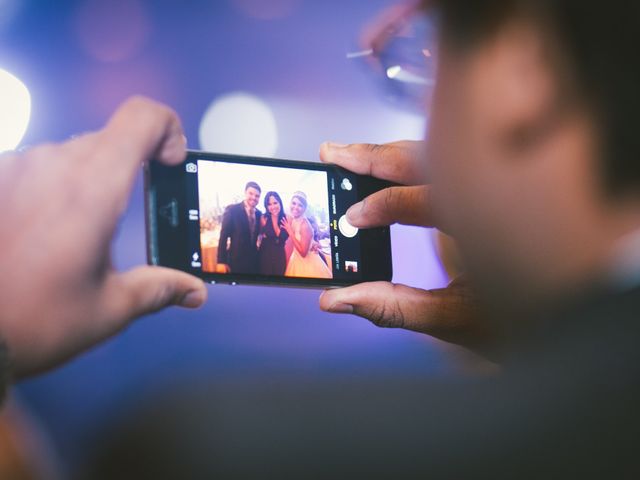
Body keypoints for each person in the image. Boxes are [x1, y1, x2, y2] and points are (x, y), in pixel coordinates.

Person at [281, 192, 332, 279]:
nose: (295, 207)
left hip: (306, 261)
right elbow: (305, 239)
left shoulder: (304, 225)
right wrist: (314, 243)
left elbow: (303, 253)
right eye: (294, 203)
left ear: (304, 208)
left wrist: (290, 231)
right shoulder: (294, 219)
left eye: (300, 205)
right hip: (295, 259)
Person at [216, 182, 263, 275]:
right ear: (245, 193)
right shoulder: (232, 210)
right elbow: (223, 236)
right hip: (236, 260)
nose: (254, 197)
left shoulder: (259, 214)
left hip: (253, 261)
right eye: (251, 193)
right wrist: (221, 261)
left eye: (257, 196)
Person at [258, 191, 289, 276]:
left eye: (275, 203)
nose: (273, 207)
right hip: (265, 254)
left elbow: (281, 237)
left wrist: (274, 217)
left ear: (280, 203)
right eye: (269, 204)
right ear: (266, 206)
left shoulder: (287, 218)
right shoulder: (263, 218)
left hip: (279, 255)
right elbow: (259, 235)